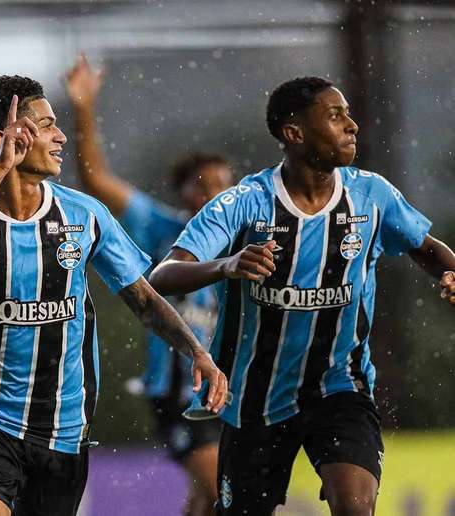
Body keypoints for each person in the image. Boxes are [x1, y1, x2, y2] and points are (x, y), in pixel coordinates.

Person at [0, 75, 228, 516]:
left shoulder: (84, 214)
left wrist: (197, 352)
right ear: (7, 138)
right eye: (46, 125)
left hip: (63, 429)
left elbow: (144, 299)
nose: (59, 137)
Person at [149, 76, 455, 516]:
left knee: (355, 506)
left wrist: (449, 271)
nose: (351, 125)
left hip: (340, 385)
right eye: (335, 115)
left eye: (348, 114)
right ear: (294, 133)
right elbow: (163, 275)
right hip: (254, 395)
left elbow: (426, 248)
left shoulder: (371, 194)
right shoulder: (245, 203)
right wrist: (226, 265)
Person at [65, 54, 233, 516]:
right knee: (224, 491)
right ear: (185, 194)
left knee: (207, 500)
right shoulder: (163, 229)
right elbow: (95, 181)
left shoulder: (247, 243)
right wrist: (84, 108)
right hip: (181, 391)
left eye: (223, 186)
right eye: (203, 186)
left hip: (233, 390)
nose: (213, 195)